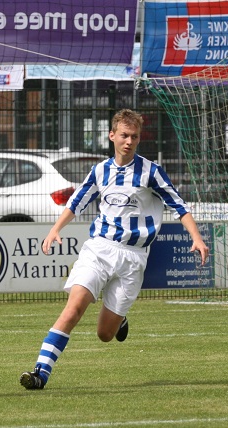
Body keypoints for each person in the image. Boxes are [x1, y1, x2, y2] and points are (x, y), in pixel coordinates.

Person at [19, 109, 209, 390]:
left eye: (134, 136)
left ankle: (118, 321)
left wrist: (197, 237)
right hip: (99, 248)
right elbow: (76, 202)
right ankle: (40, 373)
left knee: (104, 334)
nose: (129, 141)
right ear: (112, 136)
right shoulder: (100, 170)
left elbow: (179, 206)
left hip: (133, 258)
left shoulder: (151, 172)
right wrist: (55, 229)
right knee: (74, 307)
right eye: (124, 135)